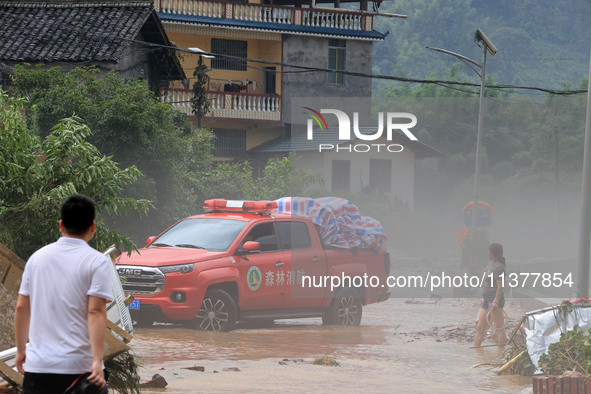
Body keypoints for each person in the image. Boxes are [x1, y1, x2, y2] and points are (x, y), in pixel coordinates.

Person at [14, 194, 113, 393]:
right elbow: (95, 312)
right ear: (93, 227)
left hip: (39, 368)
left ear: (60, 225)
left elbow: (22, 308)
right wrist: (96, 359)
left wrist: (21, 350)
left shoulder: (37, 259)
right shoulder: (97, 262)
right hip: (80, 369)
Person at [474, 243, 507, 348]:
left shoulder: (499, 267)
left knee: (499, 328)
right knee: (480, 327)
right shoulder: (493, 266)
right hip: (486, 300)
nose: (488, 254)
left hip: (494, 300)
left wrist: (496, 301)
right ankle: (476, 351)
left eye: (489, 252)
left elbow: (500, 285)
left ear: (492, 254)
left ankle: (501, 354)